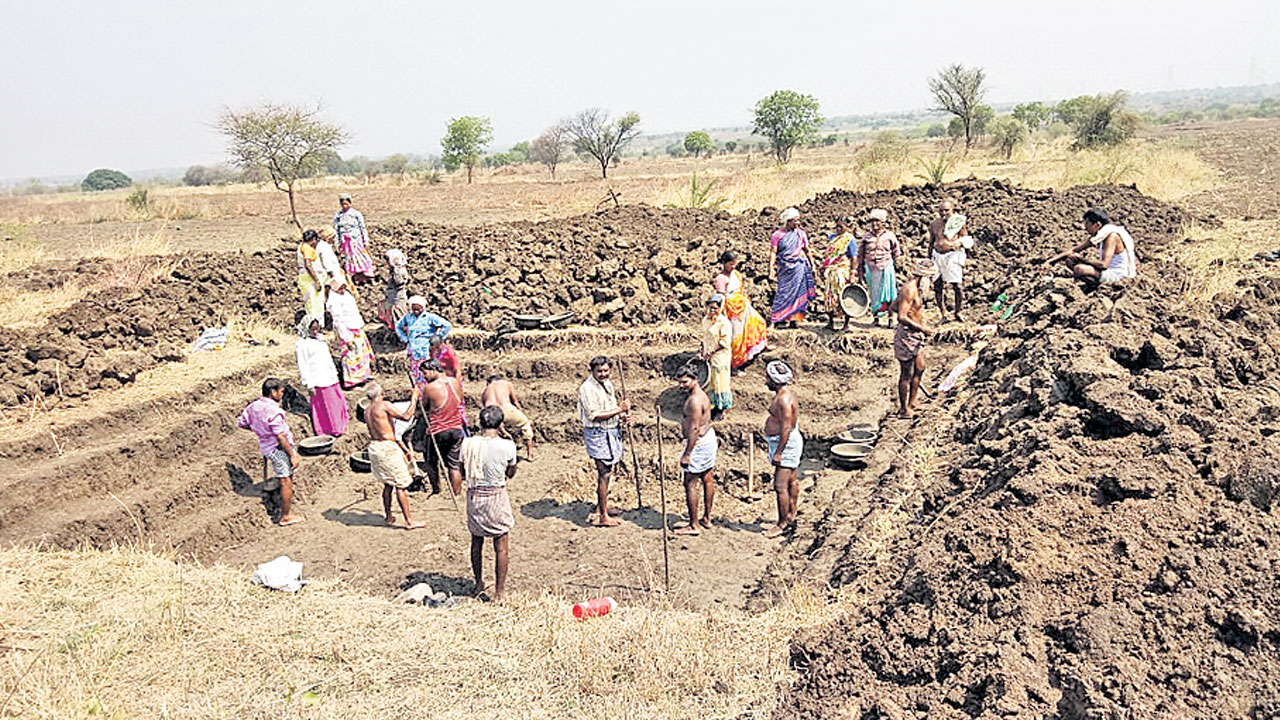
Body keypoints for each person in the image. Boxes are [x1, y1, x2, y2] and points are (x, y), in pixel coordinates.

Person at [460, 405, 519, 601]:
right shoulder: (507, 446)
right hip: (496, 496)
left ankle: (478, 583)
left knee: (476, 542)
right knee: (501, 545)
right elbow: (510, 473)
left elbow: (461, 471)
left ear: (480, 423)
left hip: (475, 497)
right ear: (500, 424)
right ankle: (499, 591)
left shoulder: (467, 444)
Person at [237, 378, 304, 526]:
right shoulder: (274, 411)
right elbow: (281, 437)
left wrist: (260, 431)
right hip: (277, 448)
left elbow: (242, 422)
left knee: (285, 477)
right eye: (281, 391)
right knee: (285, 480)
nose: (282, 394)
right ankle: (285, 516)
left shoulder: (253, 406)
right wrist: (292, 455)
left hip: (266, 445)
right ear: (273, 392)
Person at [577, 356, 631, 527]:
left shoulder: (608, 384)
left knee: (608, 471)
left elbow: (611, 408)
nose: (603, 374)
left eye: (606, 371)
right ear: (592, 371)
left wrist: (623, 415)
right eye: (599, 371)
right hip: (597, 432)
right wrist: (619, 410)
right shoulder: (586, 389)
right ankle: (603, 516)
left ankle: (602, 507)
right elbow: (595, 415)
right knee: (604, 472)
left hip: (611, 430)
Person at [364, 383, 425, 530]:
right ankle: (409, 521)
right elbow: (406, 416)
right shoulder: (384, 405)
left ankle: (389, 515)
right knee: (400, 484)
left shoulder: (367, 410)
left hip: (375, 447)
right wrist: (414, 398)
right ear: (381, 394)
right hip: (387, 448)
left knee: (388, 483)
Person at [891, 258, 939, 419]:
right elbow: (901, 316)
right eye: (931, 279)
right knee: (907, 373)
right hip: (907, 335)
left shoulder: (916, 290)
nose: (932, 283)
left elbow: (893, 306)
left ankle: (913, 402)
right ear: (924, 277)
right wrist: (922, 328)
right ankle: (904, 409)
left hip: (915, 335)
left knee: (920, 368)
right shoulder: (909, 290)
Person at [674, 364, 717, 536]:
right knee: (707, 477)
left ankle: (694, 525)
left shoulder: (693, 401)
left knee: (690, 483)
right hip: (707, 439)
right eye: (679, 382)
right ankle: (706, 518)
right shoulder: (702, 396)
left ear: (695, 380)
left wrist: (687, 453)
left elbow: (693, 430)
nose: (681, 386)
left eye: (684, 382)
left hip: (698, 443)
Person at [414, 360, 466, 496]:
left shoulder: (430, 388)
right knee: (454, 464)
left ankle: (436, 490)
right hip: (456, 428)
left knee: (431, 462)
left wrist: (416, 400)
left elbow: (423, 408)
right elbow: (460, 401)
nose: (424, 376)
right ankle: (457, 493)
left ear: (433, 370)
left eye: (425, 373)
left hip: (438, 430)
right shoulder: (455, 382)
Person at [763, 360, 802, 539]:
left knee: (780, 486)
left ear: (774, 380)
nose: (765, 381)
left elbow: (786, 426)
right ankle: (791, 514)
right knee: (791, 481)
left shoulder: (783, 400)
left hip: (785, 443)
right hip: (786, 441)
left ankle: (783, 523)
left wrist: (779, 451)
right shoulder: (785, 395)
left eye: (768, 378)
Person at [1049, 207, 1138, 285]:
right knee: (1070, 260)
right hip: (1106, 272)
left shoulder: (1111, 237)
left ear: (1097, 225)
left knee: (1079, 269)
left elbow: (1104, 265)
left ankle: (1096, 285)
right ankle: (1094, 283)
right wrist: (1050, 262)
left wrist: (1082, 259)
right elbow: (1074, 250)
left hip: (1117, 275)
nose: (1085, 227)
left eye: (1087, 224)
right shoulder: (1098, 236)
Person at [713, 250, 768, 370]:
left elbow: (741, 290)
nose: (733, 267)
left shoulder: (736, 274)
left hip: (743, 306)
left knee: (758, 324)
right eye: (730, 264)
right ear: (723, 263)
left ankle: (758, 347)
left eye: (734, 264)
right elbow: (721, 297)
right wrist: (720, 313)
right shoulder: (721, 279)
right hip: (731, 310)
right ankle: (734, 365)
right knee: (736, 337)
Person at [294, 315, 348, 437]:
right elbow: (303, 366)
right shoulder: (302, 344)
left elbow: (328, 358)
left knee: (336, 402)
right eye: (312, 329)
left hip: (330, 377)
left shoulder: (320, 339)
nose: (315, 332)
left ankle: (340, 426)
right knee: (325, 407)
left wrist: (335, 373)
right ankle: (329, 429)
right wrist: (309, 384)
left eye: (317, 329)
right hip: (318, 379)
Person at [768, 207, 818, 328]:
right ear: (788, 221)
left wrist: (813, 265)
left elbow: (807, 250)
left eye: (798, 220)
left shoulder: (801, 234)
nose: (798, 223)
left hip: (799, 267)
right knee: (783, 293)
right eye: (795, 220)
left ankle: (793, 321)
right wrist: (771, 269)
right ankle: (775, 320)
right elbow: (773, 252)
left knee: (798, 293)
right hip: (785, 268)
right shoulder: (777, 235)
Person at [326, 279, 375, 389]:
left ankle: (363, 377)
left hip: (356, 327)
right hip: (347, 331)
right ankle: (352, 382)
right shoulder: (334, 300)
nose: (343, 290)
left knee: (361, 354)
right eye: (340, 288)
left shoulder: (346, 295)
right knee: (351, 355)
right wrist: (347, 337)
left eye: (344, 287)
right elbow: (338, 321)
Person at [858, 208, 901, 327]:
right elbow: (860, 255)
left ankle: (891, 318)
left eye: (877, 221)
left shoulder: (889, 236)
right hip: (871, 268)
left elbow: (896, 251)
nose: (874, 224)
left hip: (886, 267)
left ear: (883, 223)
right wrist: (860, 270)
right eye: (872, 222)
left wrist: (898, 263)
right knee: (874, 293)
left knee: (889, 293)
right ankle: (876, 318)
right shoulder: (866, 237)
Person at [929, 199, 970, 323]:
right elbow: (931, 242)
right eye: (941, 210)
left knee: (957, 286)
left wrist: (958, 244)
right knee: (938, 285)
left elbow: (966, 239)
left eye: (947, 210)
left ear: (952, 210)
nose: (944, 213)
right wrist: (929, 259)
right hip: (937, 256)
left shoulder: (958, 223)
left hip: (952, 256)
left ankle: (958, 312)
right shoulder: (934, 224)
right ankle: (943, 313)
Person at [395, 297, 451, 388]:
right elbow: (398, 326)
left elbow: (447, 325)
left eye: (418, 309)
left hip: (426, 350)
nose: (416, 311)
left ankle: (429, 392)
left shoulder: (430, 317)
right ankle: (419, 393)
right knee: (415, 374)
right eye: (414, 309)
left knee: (427, 372)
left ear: (423, 307)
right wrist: (404, 338)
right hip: (413, 350)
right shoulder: (408, 317)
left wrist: (438, 338)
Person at [481, 373, 536, 461]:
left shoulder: (485, 392)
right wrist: (524, 415)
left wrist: (501, 428)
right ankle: (530, 454)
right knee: (525, 424)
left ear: (488, 383)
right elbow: (515, 401)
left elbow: (486, 409)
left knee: (494, 431)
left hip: (492, 412)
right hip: (507, 408)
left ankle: (498, 455)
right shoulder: (506, 383)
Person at [699, 293, 733, 417]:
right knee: (710, 382)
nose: (712, 310)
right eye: (710, 307)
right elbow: (704, 338)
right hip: (709, 356)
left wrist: (711, 352)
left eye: (715, 308)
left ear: (720, 308)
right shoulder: (706, 320)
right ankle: (712, 407)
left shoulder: (724, 323)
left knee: (721, 382)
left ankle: (722, 410)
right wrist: (702, 352)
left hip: (721, 357)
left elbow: (724, 342)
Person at [821, 216, 857, 331]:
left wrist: (853, 273)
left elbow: (854, 258)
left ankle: (846, 324)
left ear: (847, 227)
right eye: (837, 226)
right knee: (829, 295)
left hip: (842, 271)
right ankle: (830, 322)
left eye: (841, 227)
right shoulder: (832, 237)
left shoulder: (849, 239)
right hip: (831, 270)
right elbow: (829, 254)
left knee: (843, 295)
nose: (838, 229)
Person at [334, 193, 375, 284]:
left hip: (356, 241)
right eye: (343, 204)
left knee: (362, 258)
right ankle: (355, 278)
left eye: (346, 204)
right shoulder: (338, 216)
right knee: (350, 259)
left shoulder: (356, 214)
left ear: (350, 203)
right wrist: (336, 243)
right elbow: (336, 230)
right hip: (345, 243)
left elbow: (362, 228)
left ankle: (370, 277)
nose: (345, 206)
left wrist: (366, 240)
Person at [296, 229, 327, 320]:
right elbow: (308, 265)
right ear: (314, 239)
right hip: (310, 279)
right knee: (315, 304)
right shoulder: (307, 249)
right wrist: (317, 280)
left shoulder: (301, 246)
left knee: (311, 303)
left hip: (305, 278)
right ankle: (316, 325)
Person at [378, 248, 411, 330]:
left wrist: (395, 269)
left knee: (399, 315)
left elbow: (399, 282)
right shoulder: (394, 270)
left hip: (398, 298)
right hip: (392, 297)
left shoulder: (400, 270)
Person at [315, 226, 348, 295]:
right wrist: (331, 272)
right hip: (330, 273)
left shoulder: (320, 245)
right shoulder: (324, 247)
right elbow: (326, 261)